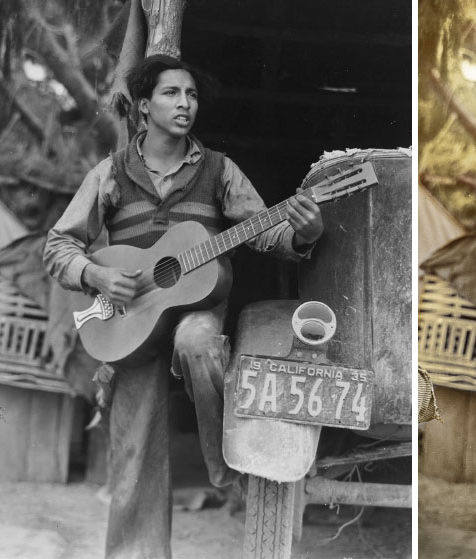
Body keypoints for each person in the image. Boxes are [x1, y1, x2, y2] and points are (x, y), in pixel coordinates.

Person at [44, 54, 324, 559]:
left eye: (192, 95)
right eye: (173, 93)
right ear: (145, 107)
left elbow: (265, 232)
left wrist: (301, 235)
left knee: (197, 342)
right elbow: (58, 246)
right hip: (131, 324)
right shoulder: (110, 174)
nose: (186, 104)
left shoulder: (220, 171)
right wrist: (98, 273)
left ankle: (223, 465)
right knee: (133, 450)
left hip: (196, 310)